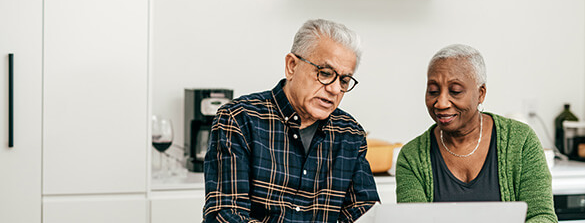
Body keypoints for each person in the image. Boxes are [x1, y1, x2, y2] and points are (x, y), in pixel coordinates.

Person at [203, 19, 379, 223]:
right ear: (292, 66)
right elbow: (226, 214)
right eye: (325, 73)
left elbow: (366, 215)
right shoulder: (239, 119)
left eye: (344, 80)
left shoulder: (350, 134)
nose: (335, 89)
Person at [395, 44, 558, 222]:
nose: (441, 103)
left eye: (455, 91)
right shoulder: (411, 158)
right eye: (433, 91)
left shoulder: (521, 141)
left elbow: (542, 216)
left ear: (481, 94)